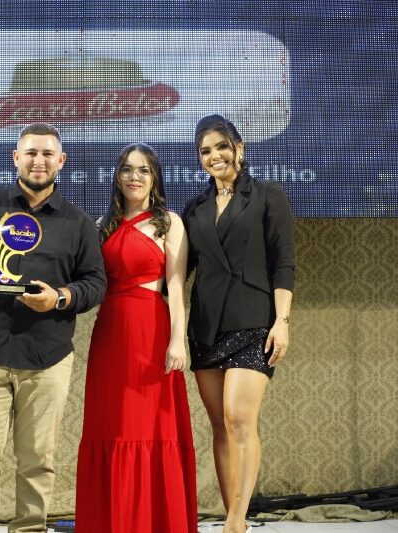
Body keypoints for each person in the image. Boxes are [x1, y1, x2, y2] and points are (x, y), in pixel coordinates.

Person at [0, 122, 106, 533]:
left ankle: (30, 528)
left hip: (47, 359)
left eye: (47, 154)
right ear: (16, 157)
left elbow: (95, 283)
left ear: (61, 161)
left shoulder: (79, 223)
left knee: (38, 461)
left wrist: (60, 297)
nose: (38, 161)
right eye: (30, 152)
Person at [75, 143, 198, 533]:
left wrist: (177, 340)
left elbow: (176, 288)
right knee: (111, 426)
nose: (135, 177)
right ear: (117, 176)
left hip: (152, 331)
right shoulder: (102, 226)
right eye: (127, 169)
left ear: (155, 178)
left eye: (144, 170)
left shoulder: (170, 223)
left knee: (150, 427)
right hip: (111, 334)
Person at [183, 115, 295, 533]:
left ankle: (235, 520)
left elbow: (283, 264)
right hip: (206, 328)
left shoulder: (267, 196)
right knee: (219, 424)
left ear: (239, 148)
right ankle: (234, 514)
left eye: (221, 146)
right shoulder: (194, 208)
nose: (214, 156)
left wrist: (281, 321)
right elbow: (180, 271)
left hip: (254, 321)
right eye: (205, 151)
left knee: (238, 418)